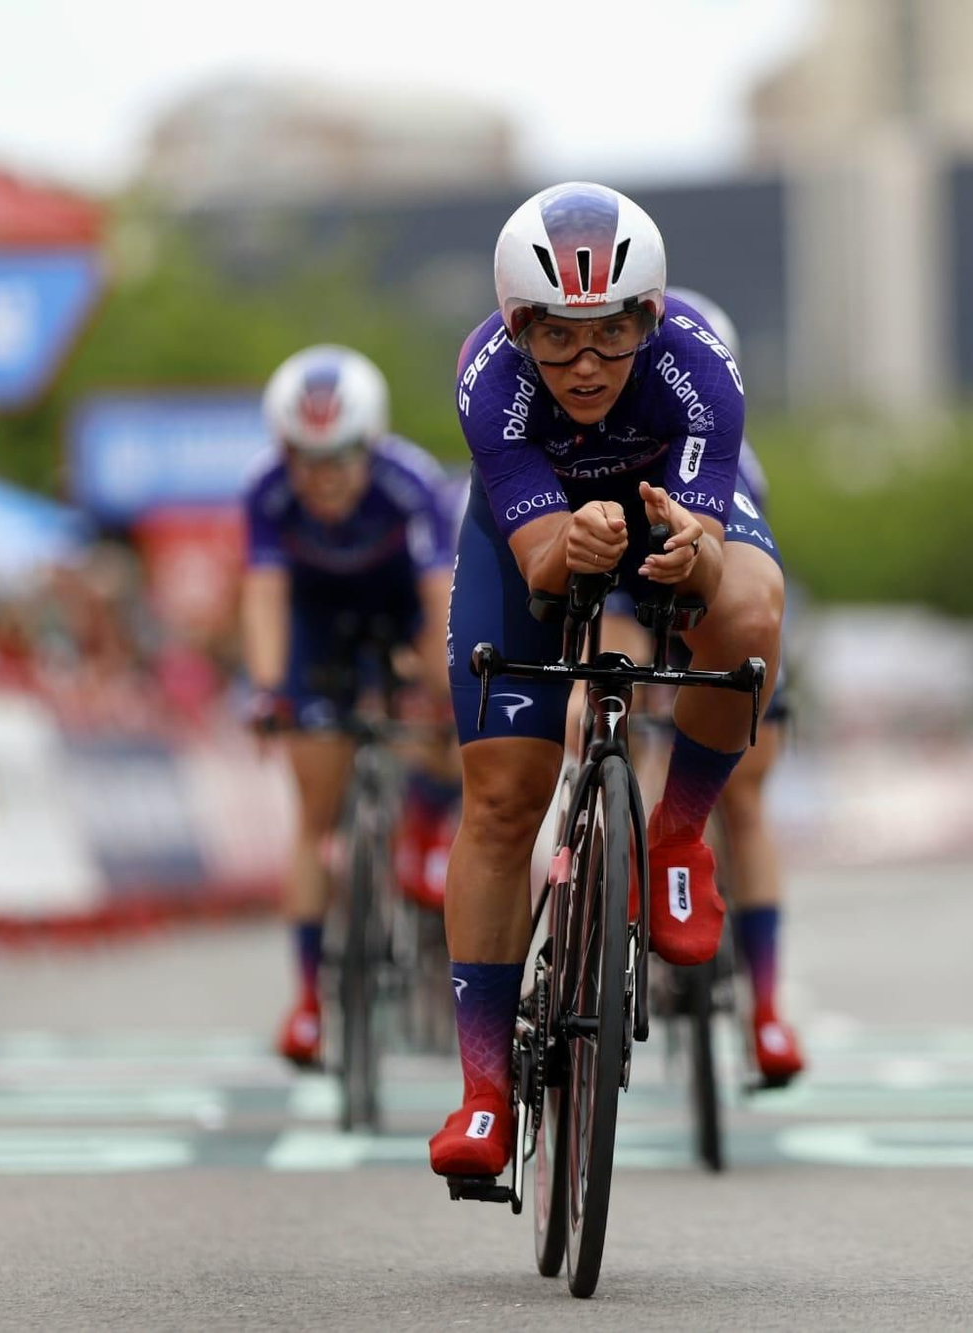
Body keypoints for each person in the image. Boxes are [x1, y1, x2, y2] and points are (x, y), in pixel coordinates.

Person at [429, 184, 788, 1179]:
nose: (586, 365)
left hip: (667, 522)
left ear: (649, 313)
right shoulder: (486, 376)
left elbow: (712, 552)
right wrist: (571, 547)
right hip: (532, 544)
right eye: (557, 339)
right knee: (502, 801)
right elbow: (542, 562)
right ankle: (484, 1093)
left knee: (752, 614)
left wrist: (691, 562)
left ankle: (673, 833)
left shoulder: (698, 368)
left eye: (612, 334)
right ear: (517, 327)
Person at [596, 286, 806, 1090]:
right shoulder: (600, 445)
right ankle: (617, 850)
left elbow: (745, 584)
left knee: (745, 800)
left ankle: (768, 1009)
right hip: (631, 592)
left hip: (715, 591)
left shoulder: (735, 455)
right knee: (617, 703)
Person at [240, 345, 456, 1069]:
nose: (322, 478)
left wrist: (447, 689)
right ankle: (307, 999)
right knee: (314, 815)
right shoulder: (264, 492)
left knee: (457, 707)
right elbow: (265, 594)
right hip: (318, 627)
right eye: (305, 459)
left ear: (371, 444)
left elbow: (439, 604)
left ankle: (427, 821)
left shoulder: (412, 484)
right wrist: (270, 687)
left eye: (338, 459)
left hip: (400, 609)